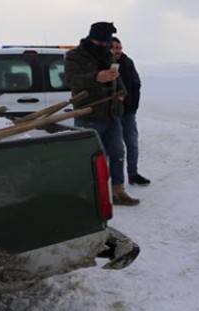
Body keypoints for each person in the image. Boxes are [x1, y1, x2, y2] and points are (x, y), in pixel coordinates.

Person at [65, 22, 140, 206]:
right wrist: (95, 77)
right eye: (100, 43)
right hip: (89, 115)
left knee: (117, 152)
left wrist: (121, 92)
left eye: (106, 43)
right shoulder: (75, 56)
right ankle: (93, 195)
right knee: (92, 158)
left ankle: (118, 191)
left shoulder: (108, 54)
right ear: (91, 38)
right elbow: (71, 80)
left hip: (111, 114)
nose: (104, 46)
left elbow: (117, 77)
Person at [111, 37, 151, 186]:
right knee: (116, 149)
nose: (118, 51)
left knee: (132, 145)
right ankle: (115, 180)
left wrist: (133, 106)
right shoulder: (105, 63)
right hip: (113, 115)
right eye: (115, 48)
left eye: (120, 48)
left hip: (128, 113)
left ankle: (133, 174)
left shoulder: (127, 62)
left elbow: (136, 83)